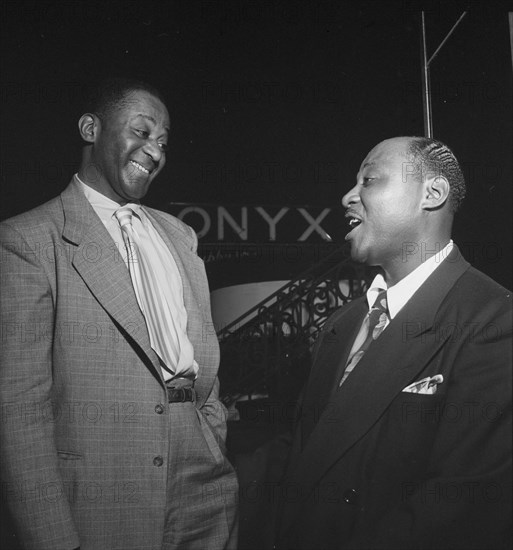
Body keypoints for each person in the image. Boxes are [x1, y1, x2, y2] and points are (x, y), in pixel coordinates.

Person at [0, 78, 238, 550]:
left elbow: (202, 362)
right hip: (100, 487)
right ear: (91, 128)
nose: (155, 150)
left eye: (164, 142)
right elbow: (19, 409)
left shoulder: (181, 236)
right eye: (143, 131)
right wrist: (50, 538)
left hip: (204, 476)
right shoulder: (28, 240)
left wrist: (210, 434)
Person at [275, 136, 512, 549]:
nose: (348, 196)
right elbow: (304, 457)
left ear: (433, 194)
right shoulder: (341, 324)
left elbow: (460, 507)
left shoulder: (493, 320)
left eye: (369, 179)